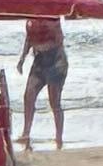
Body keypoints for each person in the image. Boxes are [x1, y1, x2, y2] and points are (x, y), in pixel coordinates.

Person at [20, 12, 69, 149]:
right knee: (28, 95)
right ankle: (26, 133)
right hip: (39, 61)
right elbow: (28, 39)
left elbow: (59, 39)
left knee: (54, 102)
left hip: (56, 61)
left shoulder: (53, 18)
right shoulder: (30, 19)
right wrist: (22, 59)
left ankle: (59, 138)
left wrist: (45, 30)